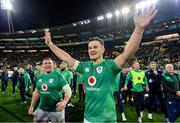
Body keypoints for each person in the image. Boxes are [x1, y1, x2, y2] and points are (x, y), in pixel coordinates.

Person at [44, 7, 157, 122]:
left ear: (103, 49)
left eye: (95, 47)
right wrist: (50, 44)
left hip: (107, 119)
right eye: (89, 48)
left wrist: (138, 29)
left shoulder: (111, 66)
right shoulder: (84, 66)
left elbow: (126, 54)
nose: (91, 50)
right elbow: (66, 57)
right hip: (88, 118)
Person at [28, 57, 72, 123]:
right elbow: (36, 92)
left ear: (53, 65)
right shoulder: (39, 77)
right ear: (42, 65)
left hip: (56, 110)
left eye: (49, 63)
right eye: (45, 63)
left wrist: (64, 102)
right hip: (42, 108)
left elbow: (68, 91)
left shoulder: (58, 75)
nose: (47, 65)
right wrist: (32, 106)